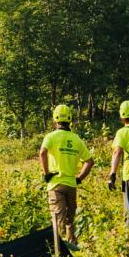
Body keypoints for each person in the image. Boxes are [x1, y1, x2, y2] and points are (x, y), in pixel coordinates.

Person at [39, 104, 94, 244]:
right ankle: (72, 247)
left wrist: (47, 173)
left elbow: (42, 153)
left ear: (55, 120)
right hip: (71, 185)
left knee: (58, 220)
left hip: (55, 184)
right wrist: (79, 178)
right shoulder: (77, 139)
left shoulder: (50, 137)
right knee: (70, 221)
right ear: (70, 120)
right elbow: (89, 161)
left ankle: (60, 252)